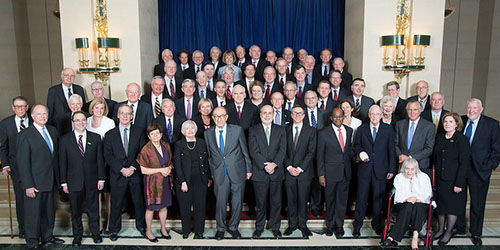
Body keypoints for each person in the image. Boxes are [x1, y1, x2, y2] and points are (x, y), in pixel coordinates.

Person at [17, 104, 64, 249]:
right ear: (32, 116)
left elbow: (55, 157)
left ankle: (47, 236)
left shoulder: (52, 131)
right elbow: (23, 162)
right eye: (39, 114)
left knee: (49, 211)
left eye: (44, 114)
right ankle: (32, 240)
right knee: (33, 214)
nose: (43, 116)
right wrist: (28, 185)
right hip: (34, 183)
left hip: (50, 180)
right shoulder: (25, 135)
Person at [204, 106, 252, 240]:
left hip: (237, 171)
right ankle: (220, 228)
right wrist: (212, 172)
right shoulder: (208, 133)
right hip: (219, 172)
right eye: (216, 116)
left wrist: (248, 169)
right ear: (213, 118)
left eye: (222, 116)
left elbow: (244, 151)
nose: (219, 119)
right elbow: (209, 156)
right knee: (220, 202)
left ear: (226, 117)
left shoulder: (237, 130)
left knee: (237, 201)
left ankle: (234, 227)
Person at [457, 98, 500, 246]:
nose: (471, 111)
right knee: (459, 201)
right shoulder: (460, 121)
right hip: (460, 170)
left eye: (475, 108)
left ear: (481, 109)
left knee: (477, 203)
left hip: (479, 170)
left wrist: (489, 165)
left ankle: (476, 233)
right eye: (469, 108)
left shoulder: (492, 124)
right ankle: (459, 227)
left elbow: (497, 149)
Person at [59, 111, 105, 246]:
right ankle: (77, 236)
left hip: (92, 180)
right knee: (76, 211)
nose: (81, 123)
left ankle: (95, 233)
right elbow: (62, 163)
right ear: (73, 122)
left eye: (83, 120)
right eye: (77, 120)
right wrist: (63, 182)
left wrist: (101, 179)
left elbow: (99, 161)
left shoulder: (95, 138)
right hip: (73, 181)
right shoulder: (64, 140)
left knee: (93, 209)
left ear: (87, 121)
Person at [104, 104, 146, 241]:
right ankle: (114, 229)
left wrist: (132, 168)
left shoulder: (139, 131)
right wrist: (121, 169)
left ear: (132, 116)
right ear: (117, 115)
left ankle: (142, 226)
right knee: (116, 203)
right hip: (118, 174)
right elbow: (108, 156)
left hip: (135, 173)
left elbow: (142, 152)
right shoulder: (110, 135)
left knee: (139, 202)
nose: (125, 116)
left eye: (128, 113)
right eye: (122, 113)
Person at [352, 105, 396, 237]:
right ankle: (357, 225)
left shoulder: (388, 130)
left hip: (381, 170)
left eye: (377, 114)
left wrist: (391, 169)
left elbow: (391, 151)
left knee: (378, 199)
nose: (374, 116)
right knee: (361, 198)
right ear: (369, 115)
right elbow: (356, 146)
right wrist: (361, 153)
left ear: (381, 115)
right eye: (372, 114)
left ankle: (377, 225)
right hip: (364, 170)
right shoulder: (361, 129)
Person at [248, 105, 287, 238]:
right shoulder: (253, 130)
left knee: (276, 202)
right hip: (260, 172)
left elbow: (283, 150)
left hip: (276, 172)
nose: (267, 115)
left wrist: (274, 164)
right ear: (260, 114)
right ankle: (259, 228)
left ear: (273, 114)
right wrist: (265, 165)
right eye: (264, 113)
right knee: (260, 203)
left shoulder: (281, 130)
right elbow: (253, 150)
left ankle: (275, 227)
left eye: (270, 113)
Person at [432, 112, 470, 245]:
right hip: (441, 179)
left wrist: (459, 183)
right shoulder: (441, 137)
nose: (447, 124)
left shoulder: (462, 139)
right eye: (446, 122)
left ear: (457, 124)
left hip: (454, 180)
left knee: (452, 208)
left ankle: (448, 232)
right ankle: (440, 229)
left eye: (450, 122)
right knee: (441, 206)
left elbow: (464, 163)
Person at [317, 107, 354, 238]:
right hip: (329, 173)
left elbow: (349, 151)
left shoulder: (349, 131)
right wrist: (321, 174)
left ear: (344, 117)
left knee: (342, 201)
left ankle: (339, 225)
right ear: (331, 118)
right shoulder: (323, 133)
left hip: (345, 173)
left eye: (340, 116)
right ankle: (330, 225)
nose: (338, 119)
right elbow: (320, 156)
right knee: (330, 200)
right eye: (335, 116)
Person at [383, 158, 433, 250]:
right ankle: (397, 236)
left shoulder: (424, 177)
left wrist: (419, 199)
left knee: (418, 206)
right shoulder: (399, 177)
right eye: (407, 168)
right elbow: (398, 195)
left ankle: (413, 237)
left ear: (416, 169)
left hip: (421, 203)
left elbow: (428, 193)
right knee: (408, 206)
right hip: (403, 204)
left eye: (412, 169)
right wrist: (407, 199)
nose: (409, 172)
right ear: (403, 168)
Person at [0, 96, 32, 239]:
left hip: (34, 165)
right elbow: (3, 146)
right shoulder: (5, 124)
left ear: (27, 107)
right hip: (16, 167)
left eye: (23, 106)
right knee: (21, 197)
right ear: (13, 108)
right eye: (17, 106)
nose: (20, 109)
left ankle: (36, 226)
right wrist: (5, 165)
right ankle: (23, 227)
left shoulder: (34, 120)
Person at [283, 105, 317, 238]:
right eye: (295, 113)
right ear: (291, 115)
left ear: (304, 115)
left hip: (305, 172)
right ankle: (292, 224)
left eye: (300, 113)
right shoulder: (285, 130)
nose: (297, 116)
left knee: (303, 200)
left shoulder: (311, 131)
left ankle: (302, 224)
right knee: (290, 199)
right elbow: (282, 151)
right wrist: (289, 167)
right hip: (289, 171)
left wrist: (300, 168)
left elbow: (311, 152)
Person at [136, 123, 174, 242]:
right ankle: (148, 231)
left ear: (161, 134)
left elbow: (170, 162)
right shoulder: (146, 149)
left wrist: (168, 169)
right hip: (152, 183)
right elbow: (143, 170)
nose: (155, 135)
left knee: (164, 206)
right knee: (151, 207)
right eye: (152, 134)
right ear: (149, 136)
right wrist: (161, 170)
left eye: (157, 133)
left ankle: (163, 229)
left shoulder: (166, 145)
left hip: (165, 180)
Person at [174, 120, 211, 239]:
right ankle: (186, 230)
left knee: (200, 205)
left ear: (196, 130)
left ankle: (199, 231)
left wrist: (209, 178)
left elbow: (207, 162)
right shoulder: (179, 145)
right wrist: (182, 181)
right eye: (187, 129)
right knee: (185, 206)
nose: (190, 131)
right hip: (185, 180)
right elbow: (177, 165)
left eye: (192, 128)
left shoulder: (202, 143)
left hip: (201, 179)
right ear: (183, 131)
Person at [86, 97, 115, 234]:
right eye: (96, 107)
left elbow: (111, 145)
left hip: (106, 162)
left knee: (107, 194)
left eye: (102, 108)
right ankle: (97, 223)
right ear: (92, 108)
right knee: (94, 195)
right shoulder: (86, 122)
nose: (99, 110)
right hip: (90, 164)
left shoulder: (109, 122)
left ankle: (109, 222)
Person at [303, 90, 328, 218]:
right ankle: (303, 205)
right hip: (304, 152)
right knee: (305, 181)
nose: (311, 100)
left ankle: (315, 206)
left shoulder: (325, 114)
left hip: (321, 152)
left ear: (317, 99)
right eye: (308, 98)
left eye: (313, 98)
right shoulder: (300, 114)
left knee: (318, 181)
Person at [395, 101, 435, 177]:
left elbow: (429, 148)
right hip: (403, 165)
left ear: (420, 111)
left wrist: (410, 158)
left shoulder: (429, 126)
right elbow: (395, 144)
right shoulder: (399, 124)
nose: (412, 112)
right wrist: (400, 156)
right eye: (410, 110)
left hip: (421, 166)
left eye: (415, 109)